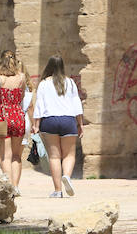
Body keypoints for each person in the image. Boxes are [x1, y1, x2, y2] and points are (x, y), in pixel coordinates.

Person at [32, 54, 83, 198]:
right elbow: (76, 104)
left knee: (54, 157)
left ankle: (57, 190)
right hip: (68, 120)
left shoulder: (43, 83)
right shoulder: (71, 83)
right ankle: (66, 175)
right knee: (69, 154)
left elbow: (39, 106)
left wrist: (36, 125)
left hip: (49, 121)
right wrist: (80, 123)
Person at [0, 50, 27, 192]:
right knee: (17, 155)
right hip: (17, 115)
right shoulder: (21, 77)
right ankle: (16, 186)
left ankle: (9, 185)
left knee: (5, 155)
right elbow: (21, 96)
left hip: (2, 114)